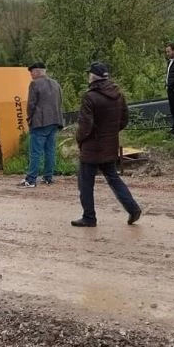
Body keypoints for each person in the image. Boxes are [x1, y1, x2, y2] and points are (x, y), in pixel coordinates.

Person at [71, 62, 141, 227]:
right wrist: (111, 133)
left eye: (90, 74)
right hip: (110, 146)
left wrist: (80, 140)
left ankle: (89, 217)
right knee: (114, 179)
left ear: (93, 76)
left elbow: (85, 126)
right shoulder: (118, 94)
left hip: (91, 148)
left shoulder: (90, 97)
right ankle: (133, 208)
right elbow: (124, 120)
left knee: (86, 183)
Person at [18, 62, 63, 188]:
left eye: (31, 72)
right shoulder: (56, 84)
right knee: (50, 150)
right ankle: (48, 177)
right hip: (55, 121)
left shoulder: (34, 84)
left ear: (37, 72)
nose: (31, 75)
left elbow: (31, 104)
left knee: (35, 152)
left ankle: (31, 179)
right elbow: (60, 101)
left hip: (40, 122)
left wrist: (29, 118)